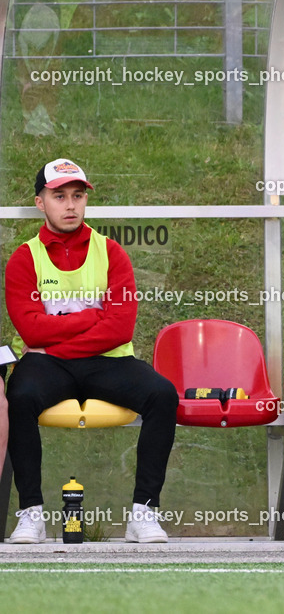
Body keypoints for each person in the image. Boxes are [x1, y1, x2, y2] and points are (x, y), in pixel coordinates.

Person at [4, 159, 178, 543]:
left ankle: (144, 512)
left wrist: (54, 341)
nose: (70, 205)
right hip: (44, 366)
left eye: (78, 196)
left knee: (162, 394)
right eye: (59, 196)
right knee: (18, 396)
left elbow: (119, 328)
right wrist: (91, 316)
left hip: (104, 361)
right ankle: (31, 513)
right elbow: (29, 328)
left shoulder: (111, 252)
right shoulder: (23, 258)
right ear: (40, 202)